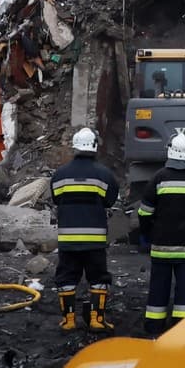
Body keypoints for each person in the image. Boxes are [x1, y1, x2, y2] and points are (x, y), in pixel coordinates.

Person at [135, 132, 185, 334]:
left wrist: (146, 234)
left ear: (170, 153)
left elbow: (144, 212)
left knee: (158, 289)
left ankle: (154, 328)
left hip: (161, 247)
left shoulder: (159, 177)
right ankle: (182, 329)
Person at [50, 127, 119, 332]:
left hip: (68, 240)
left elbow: (56, 199)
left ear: (75, 147)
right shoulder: (104, 175)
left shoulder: (59, 175)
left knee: (66, 278)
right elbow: (109, 201)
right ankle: (97, 320)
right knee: (98, 278)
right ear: (95, 147)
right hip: (94, 240)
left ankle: (69, 320)